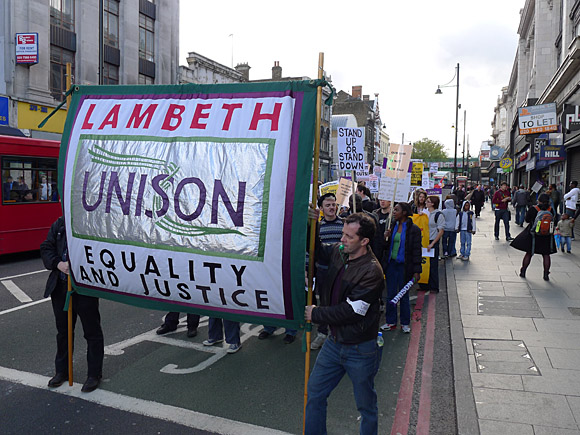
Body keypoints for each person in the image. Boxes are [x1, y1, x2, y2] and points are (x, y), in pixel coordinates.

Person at [304, 212, 384, 434]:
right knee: (315, 393)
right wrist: (312, 224)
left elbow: (351, 312)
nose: (342, 240)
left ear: (364, 241)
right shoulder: (340, 252)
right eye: (342, 234)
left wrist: (316, 314)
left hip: (361, 348)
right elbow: (317, 251)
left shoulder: (372, 271)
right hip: (334, 342)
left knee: (366, 406)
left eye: (349, 237)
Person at [40, 217, 104, 392]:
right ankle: (62, 371)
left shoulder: (91, 223)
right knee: (64, 332)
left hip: (85, 289)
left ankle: (94, 374)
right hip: (60, 288)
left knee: (92, 332)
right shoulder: (59, 224)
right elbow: (46, 247)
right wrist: (58, 264)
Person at [310, 192, 345, 350]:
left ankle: (339, 332)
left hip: (341, 271)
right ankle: (322, 333)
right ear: (321, 208)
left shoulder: (344, 224)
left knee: (340, 302)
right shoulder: (318, 227)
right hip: (323, 271)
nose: (332, 207)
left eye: (334, 204)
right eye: (328, 205)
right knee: (324, 302)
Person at [382, 202, 422, 332]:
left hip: (405, 266)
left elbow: (417, 251)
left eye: (396, 210)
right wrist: (385, 238)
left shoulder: (413, 229)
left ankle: (405, 323)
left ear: (404, 212)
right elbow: (386, 247)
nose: (394, 212)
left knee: (403, 295)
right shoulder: (392, 226)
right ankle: (390, 321)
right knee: (390, 294)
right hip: (392, 265)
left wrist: (417, 271)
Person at [510, 193, 556, 281]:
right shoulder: (550, 210)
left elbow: (527, 220)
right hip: (547, 236)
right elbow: (554, 220)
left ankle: (523, 271)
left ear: (539, 200)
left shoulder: (534, 209)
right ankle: (546, 274)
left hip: (533, 235)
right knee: (546, 255)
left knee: (529, 253)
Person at [425, 196, 445, 292]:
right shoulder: (425, 213)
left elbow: (441, 231)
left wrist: (433, 243)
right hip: (424, 241)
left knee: (433, 265)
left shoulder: (438, 215)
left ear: (433, 203)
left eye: (428, 201)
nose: (426, 202)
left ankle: (434, 286)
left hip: (432, 242)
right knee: (425, 264)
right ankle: (425, 284)